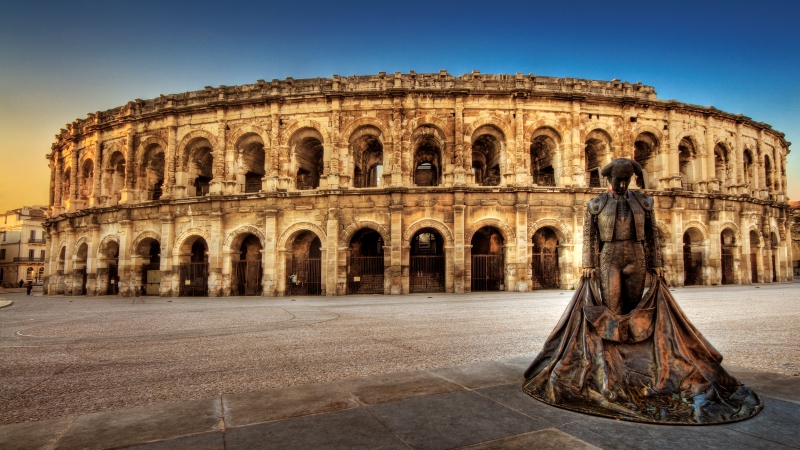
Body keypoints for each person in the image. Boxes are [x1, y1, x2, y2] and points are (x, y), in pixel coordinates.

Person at [522, 158, 762, 424]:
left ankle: (631, 358)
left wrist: (657, 264)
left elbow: (651, 237)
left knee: (636, 308)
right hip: (610, 256)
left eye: (627, 180)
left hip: (636, 255)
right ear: (609, 180)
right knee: (612, 308)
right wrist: (589, 263)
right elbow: (590, 237)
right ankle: (613, 363)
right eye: (618, 180)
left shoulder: (644, 202)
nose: (623, 184)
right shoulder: (596, 204)